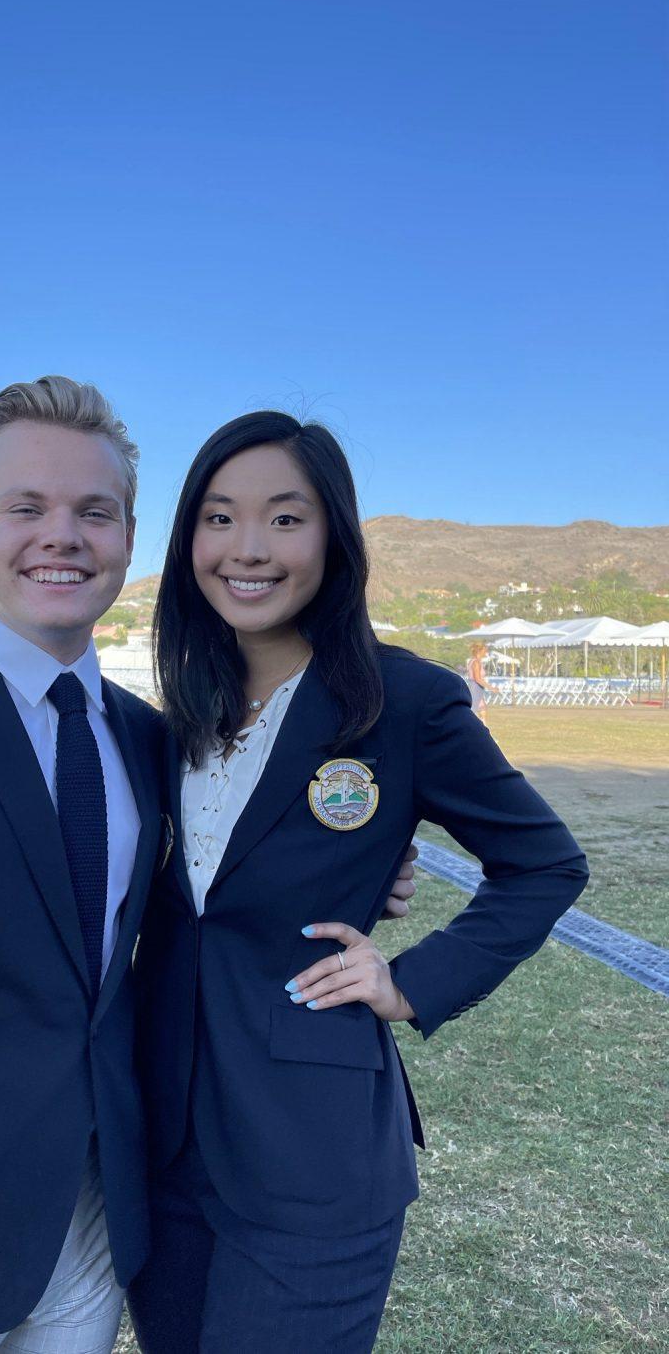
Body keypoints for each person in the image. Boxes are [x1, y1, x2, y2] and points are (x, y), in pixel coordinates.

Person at [0, 378, 417, 1354]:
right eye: (26, 507)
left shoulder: (157, 740)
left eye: (92, 512)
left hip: (97, 1237)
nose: (60, 535)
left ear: (128, 539)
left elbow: (222, 891)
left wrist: (367, 874)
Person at [127, 411, 589, 1354]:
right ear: (188, 543)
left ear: (334, 535)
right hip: (160, 1144)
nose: (247, 549)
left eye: (285, 519)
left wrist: (411, 980)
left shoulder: (404, 700)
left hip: (312, 1160)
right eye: (219, 518)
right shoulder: (179, 710)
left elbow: (545, 862)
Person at [466, 639, 498, 724]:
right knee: (473, 711)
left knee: (482, 710)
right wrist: (491, 688)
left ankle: (484, 729)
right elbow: (478, 679)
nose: (486, 652)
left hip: (477, 688)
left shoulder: (475, 661)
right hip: (475, 687)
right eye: (485, 650)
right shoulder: (476, 662)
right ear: (479, 651)